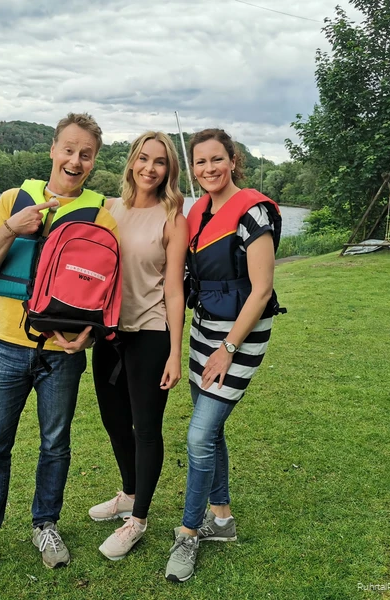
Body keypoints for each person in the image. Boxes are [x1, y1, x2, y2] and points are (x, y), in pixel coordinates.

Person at [0, 113, 119, 589]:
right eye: (68, 150)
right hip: (7, 346)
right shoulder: (13, 201)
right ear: (53, 150)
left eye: (86, 154)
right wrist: (13, 228)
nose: (75, 161)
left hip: (63, 353)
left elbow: (107, 289)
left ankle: (46, 526)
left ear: (94, 159)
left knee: (55, 445)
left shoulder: (102, 214)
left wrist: (92, 336)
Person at [165, 128, 282, 583]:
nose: (209, 169)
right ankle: (222, 518)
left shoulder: (253, 212)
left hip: (240, 335)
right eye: (200, 162)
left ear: (233, 160)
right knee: (208, 432)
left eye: (217, 159)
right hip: (203, 329)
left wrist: (228, 350)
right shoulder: (198, 210)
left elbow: (262, 289)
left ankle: (189, 533)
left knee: (198, 437)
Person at [88, 132, 188, 560]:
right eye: (143, 158)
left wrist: (174, 351)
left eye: (159, 162)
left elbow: (174, 290)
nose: (150, 168)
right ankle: (128, 493)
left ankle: (139, 520)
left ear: (169, 170)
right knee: (113, 422)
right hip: (109, 333)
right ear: (131, 161)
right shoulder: (110, 209)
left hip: (150, 332)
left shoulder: (173, 217)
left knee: (145, 428)